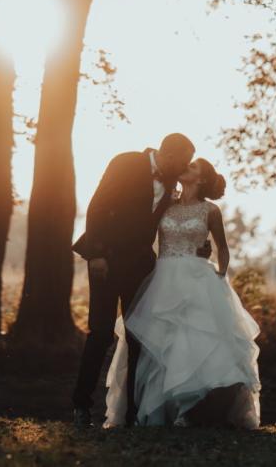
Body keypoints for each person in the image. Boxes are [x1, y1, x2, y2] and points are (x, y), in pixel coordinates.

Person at [103, 158, 261, 428]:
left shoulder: (210, 210)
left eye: (192, 167)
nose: (185, 167)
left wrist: (220, 275)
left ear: (200, 179)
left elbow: (222, 247)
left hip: (199, 279)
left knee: (194, 341)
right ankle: (155, 409)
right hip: (163, 278)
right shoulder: (165, 204)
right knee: (161, 342)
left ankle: (192, 411)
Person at [71, 133, 198, 428]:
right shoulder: (126, 162)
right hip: (107, 260)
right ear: (167, 155)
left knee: (138, 336)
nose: (184, 168)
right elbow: (97, 206)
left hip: (140, 268)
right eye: (182, 162)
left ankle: (132, 413)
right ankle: (81, 406)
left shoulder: (171, 185)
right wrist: (96, 255)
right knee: (100, 332)